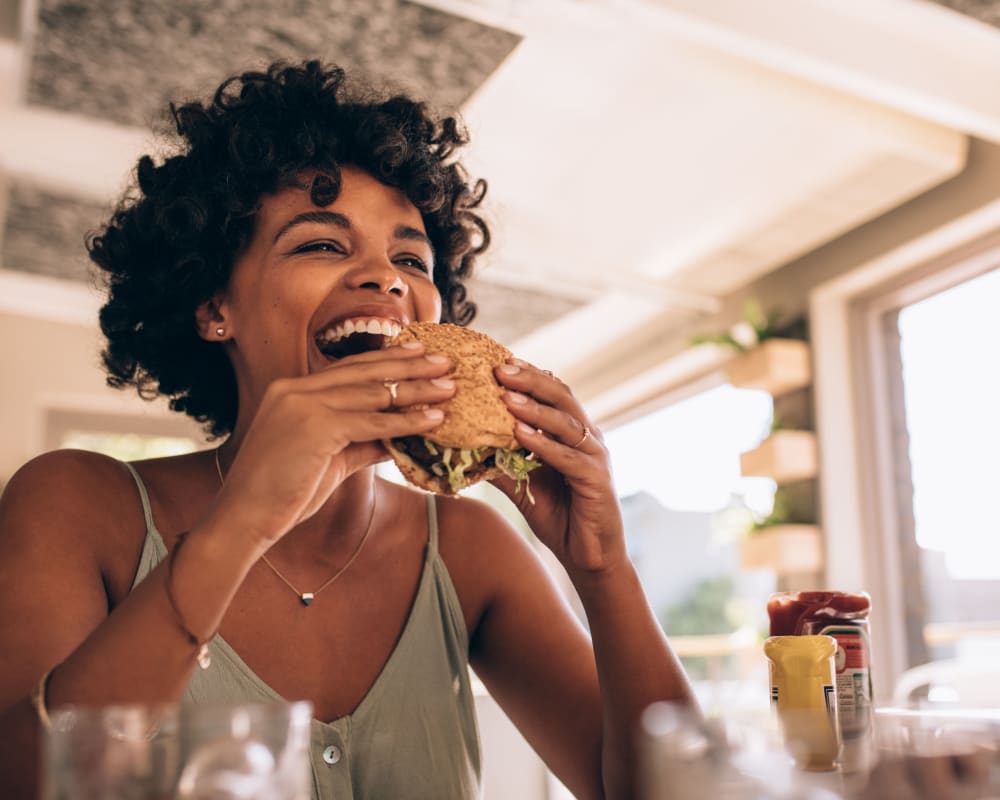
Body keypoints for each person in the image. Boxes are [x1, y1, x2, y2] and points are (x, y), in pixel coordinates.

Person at [0, 60, 695, 799]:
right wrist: (242, 524)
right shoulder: (75, 502)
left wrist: (603, 568)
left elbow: (673, 793)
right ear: (213, 309)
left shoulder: (469, 548)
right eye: (321, 244)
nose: (386, 278)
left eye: (409, 258)